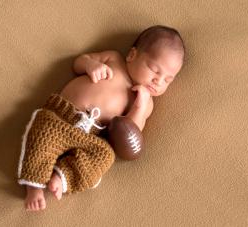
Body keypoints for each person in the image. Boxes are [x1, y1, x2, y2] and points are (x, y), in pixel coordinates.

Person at [17, 25, 185, 211]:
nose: (158, 81)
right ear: (132, 55)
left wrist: (139, 106)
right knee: (43, 135)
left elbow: (129, 134)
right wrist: (91, 65)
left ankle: (63, 175)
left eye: (168, 80)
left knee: (105, 156)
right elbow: (79, 62)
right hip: (60, 116)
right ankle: (34, 187)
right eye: (154, 70)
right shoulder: (113, 59)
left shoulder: (145, 103)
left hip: (92, 137)